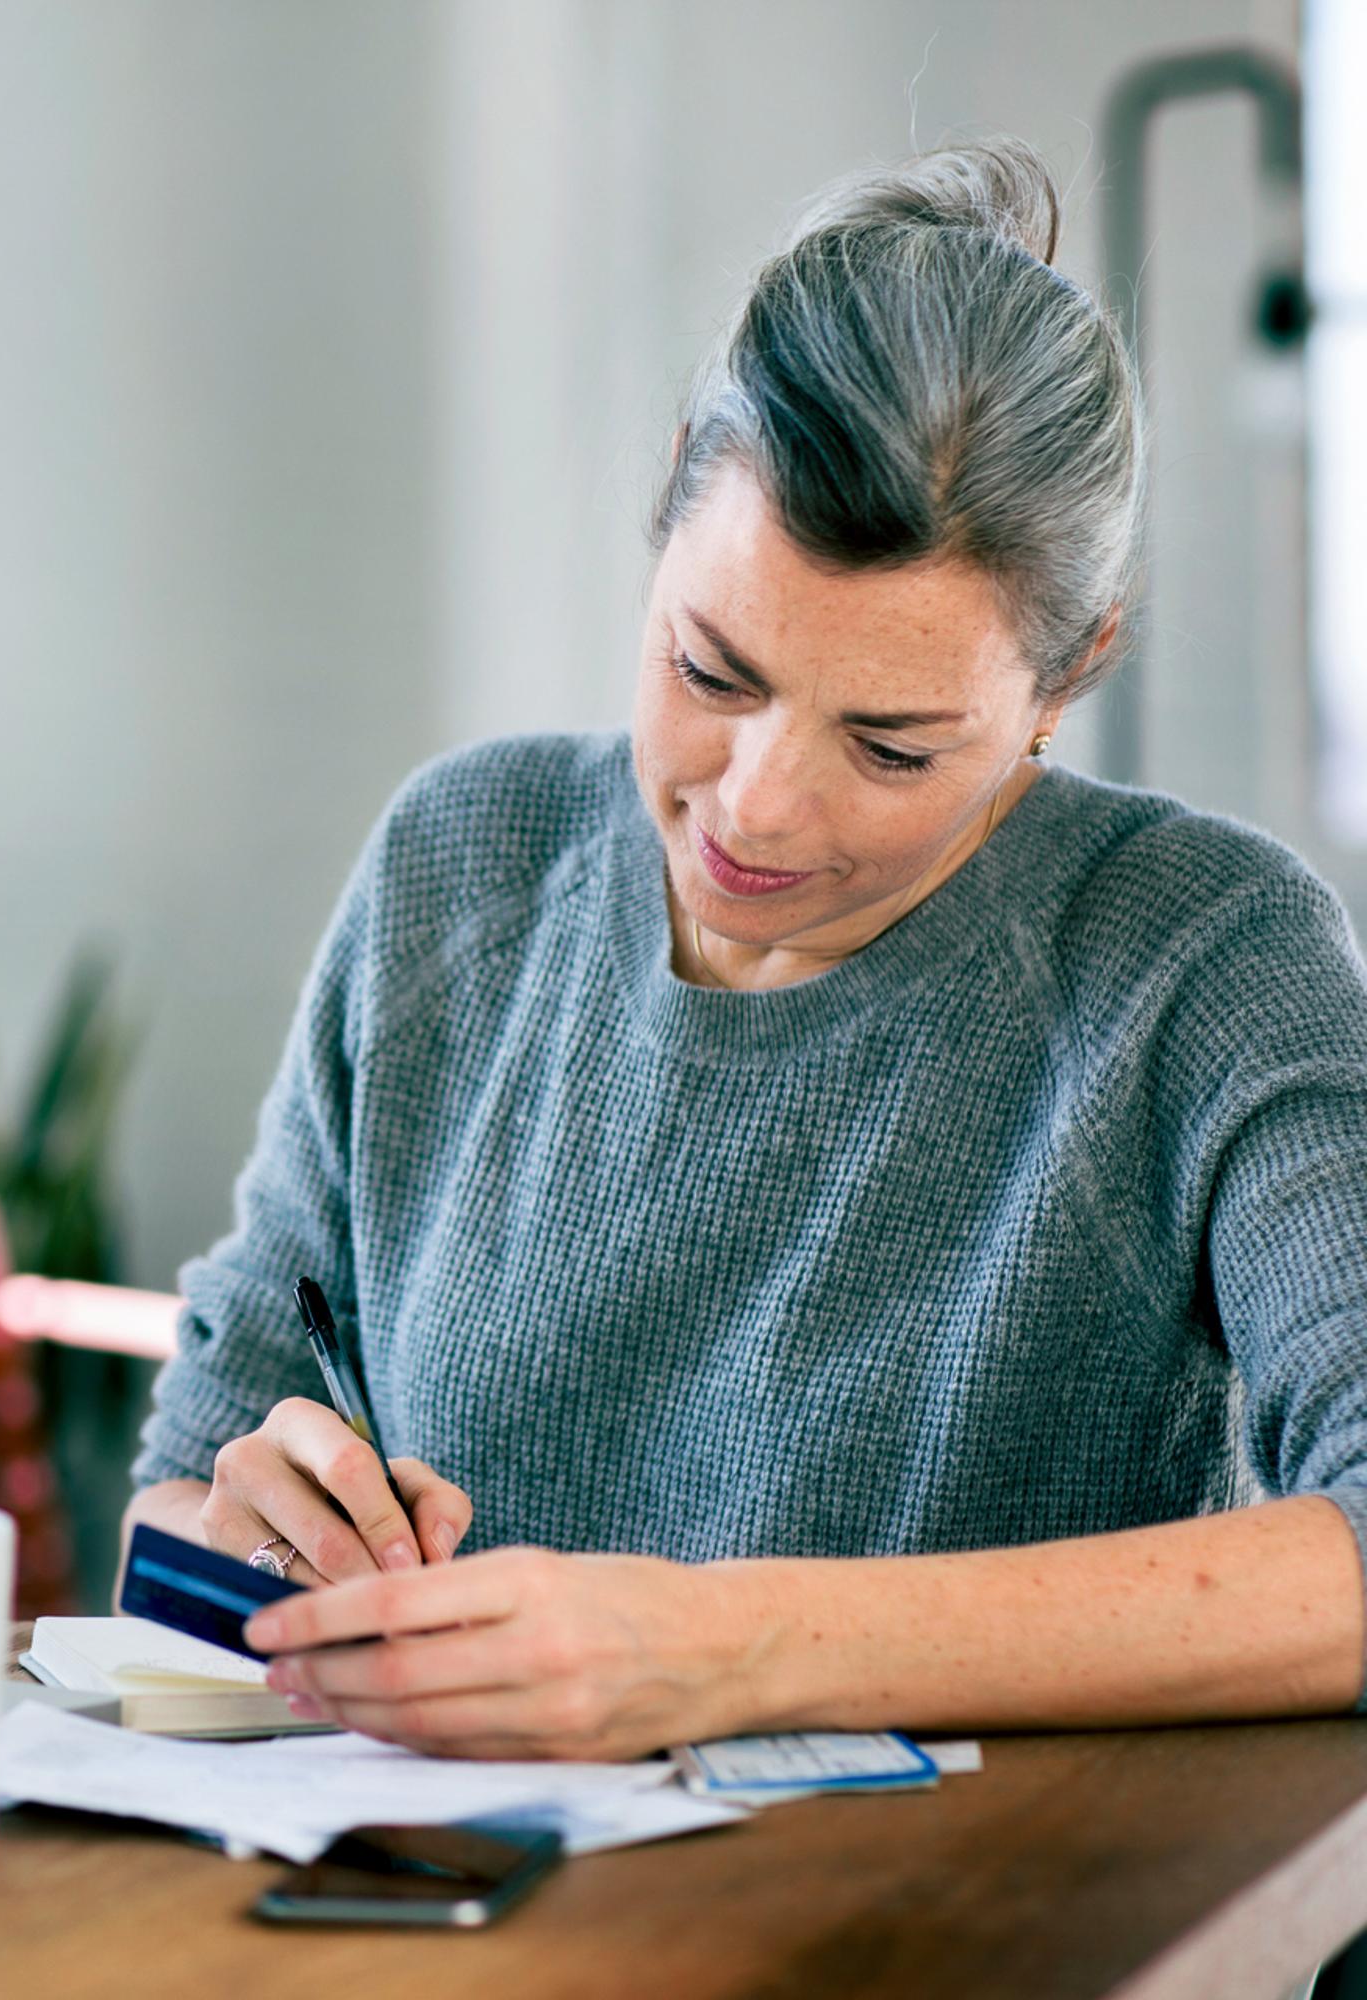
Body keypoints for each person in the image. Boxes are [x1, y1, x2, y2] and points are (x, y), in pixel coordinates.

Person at [123, 135, 1367, 1761]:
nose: (756, 812)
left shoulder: (1202, 959)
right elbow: (175, 1518)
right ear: (663, 517)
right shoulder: (459, 869)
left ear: (1071, 678)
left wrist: (722, 1646)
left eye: (893, 746)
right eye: (710, 674)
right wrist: (248, 1543)